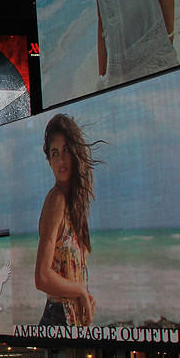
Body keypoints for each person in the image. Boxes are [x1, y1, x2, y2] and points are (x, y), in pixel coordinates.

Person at [34, 114, 101, 326]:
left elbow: (71, 271)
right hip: (58, 318)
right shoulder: (56, 200)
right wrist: (80, 290)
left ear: (75, 153)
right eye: (55, 153)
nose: (61, 160)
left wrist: (84, 295)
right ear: (49, 162)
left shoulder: (74, 203)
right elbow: (42, 277)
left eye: (65, 151)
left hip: (69, 320)